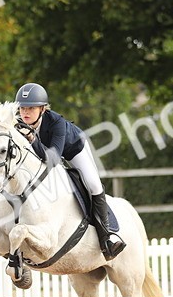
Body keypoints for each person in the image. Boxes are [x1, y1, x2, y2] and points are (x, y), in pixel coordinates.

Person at [13, 82, 126, 259]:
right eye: (22, 108)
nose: (25, 112)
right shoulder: (17, 124)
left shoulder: (56, 123)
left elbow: (53, 159)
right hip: (44, 153)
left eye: (31, 108)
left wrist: (33, 140)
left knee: (93, 184)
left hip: (73, 148)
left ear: (43, 109)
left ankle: (107, 238)